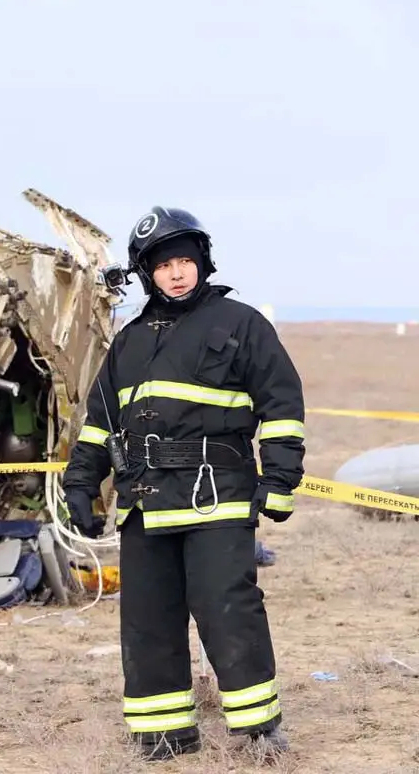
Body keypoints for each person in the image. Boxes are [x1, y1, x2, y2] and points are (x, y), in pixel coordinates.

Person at [62, 206, 303, 762]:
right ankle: (163, 736)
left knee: (227, 610)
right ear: (148, 273)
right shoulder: (130, 340)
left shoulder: (241, 324)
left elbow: (283, 406)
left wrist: (281, 480)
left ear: (202, 263)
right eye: (164, 264)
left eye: (185, 261)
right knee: (147, 623)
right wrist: (81, 484)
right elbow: (100, 421)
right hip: (145, 504)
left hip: (215, 495)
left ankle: (260, 732)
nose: (176, 272)